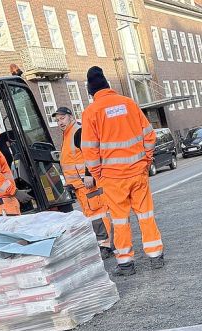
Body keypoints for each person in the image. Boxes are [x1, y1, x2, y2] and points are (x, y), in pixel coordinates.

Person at [80, 66, 163, 276]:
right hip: (137, 172)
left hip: (112, 178)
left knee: (119, 220)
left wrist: (98, 175)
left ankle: (126, 263)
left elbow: (89, 150)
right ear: (108, 85)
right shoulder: (128, 103)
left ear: (91, 92)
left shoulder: (91, 112)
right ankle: (155, 256)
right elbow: (149, 136)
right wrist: (145, 162)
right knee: (146, 215)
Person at [53, 106, 114, 259]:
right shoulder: (67, 134)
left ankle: (107, 245)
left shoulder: (78, 131)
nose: (60, 122)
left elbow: (91, 153)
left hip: (87, 182)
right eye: (57, 120)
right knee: (92, 215)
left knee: (98, 213)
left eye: (62, 118)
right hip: (79, 185)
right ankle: (103, 243)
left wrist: (89, 175)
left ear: (71, 117)